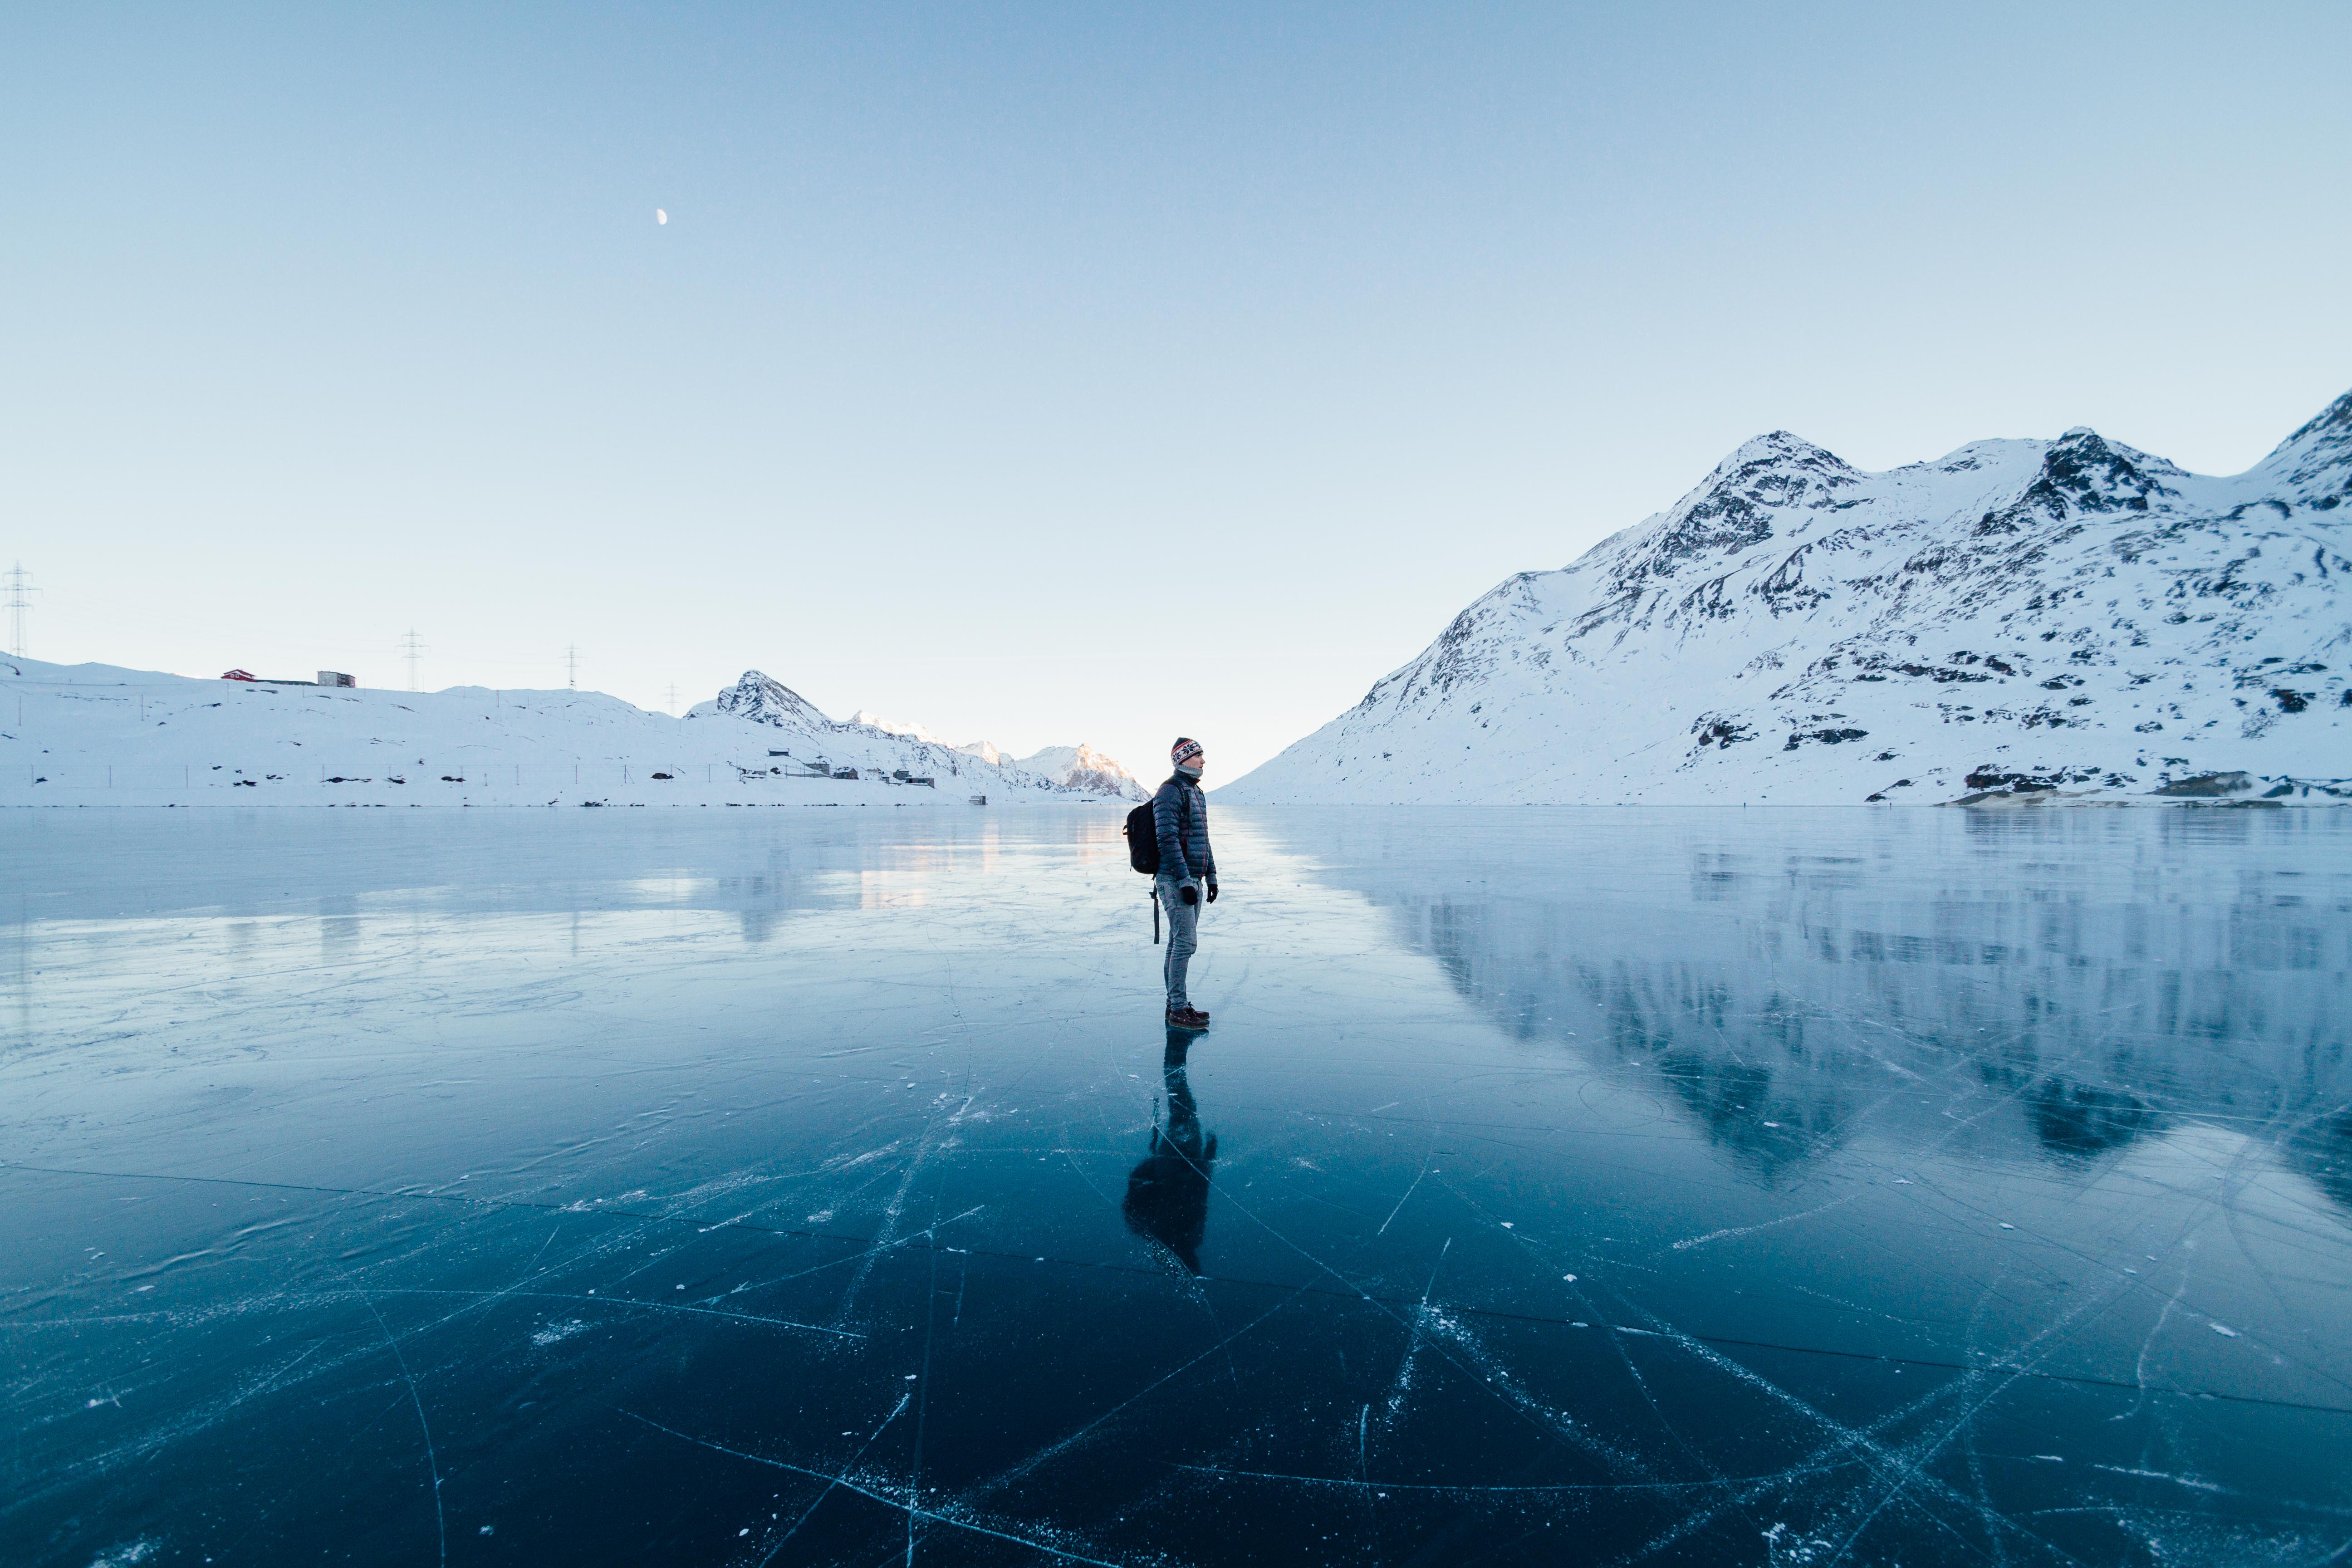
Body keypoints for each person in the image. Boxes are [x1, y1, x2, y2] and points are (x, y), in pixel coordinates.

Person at [1121, 1027, 1218, 1272]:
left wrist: (1207, 1156)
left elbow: (1199, 1196)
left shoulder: (1160, 1232)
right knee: (1183, 1111)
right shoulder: (1179, 1235)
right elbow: (1200, 1196)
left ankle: (1175, 1061)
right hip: (1177, 1168)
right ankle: (1174, 1063)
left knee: (1183, 1111)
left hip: (1174, 1168)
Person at [1153, 737, 1217, 1029]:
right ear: (1182, 760)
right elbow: (1166, 839)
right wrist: (1183, 881)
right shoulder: (1170, 791)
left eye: (1203, 756)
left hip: (1195, 878)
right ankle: (1178, 1009)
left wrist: (1211, 874)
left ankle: (1174, 1005)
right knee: (1186, 943)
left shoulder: (1196, 792)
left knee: (1178, 942)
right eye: (1198, 756)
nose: (1203, 761)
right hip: (1176, 879)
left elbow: (1202, 838)